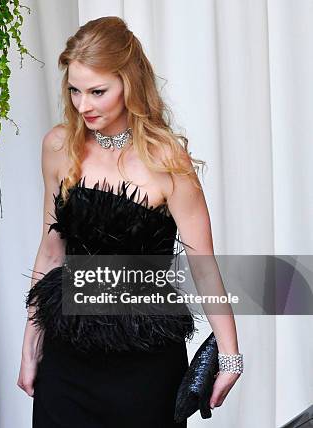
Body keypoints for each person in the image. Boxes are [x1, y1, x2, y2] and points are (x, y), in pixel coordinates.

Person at [17, 16, 242, 427]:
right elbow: (51, 252)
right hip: (69, 360)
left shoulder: (167, 161)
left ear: (129, 84)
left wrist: (230, 355)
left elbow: (203, 264)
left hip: (145, 366)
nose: (83, 105)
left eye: (98, 91)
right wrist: (30, 348)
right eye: (75, 90)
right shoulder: (58, 147)